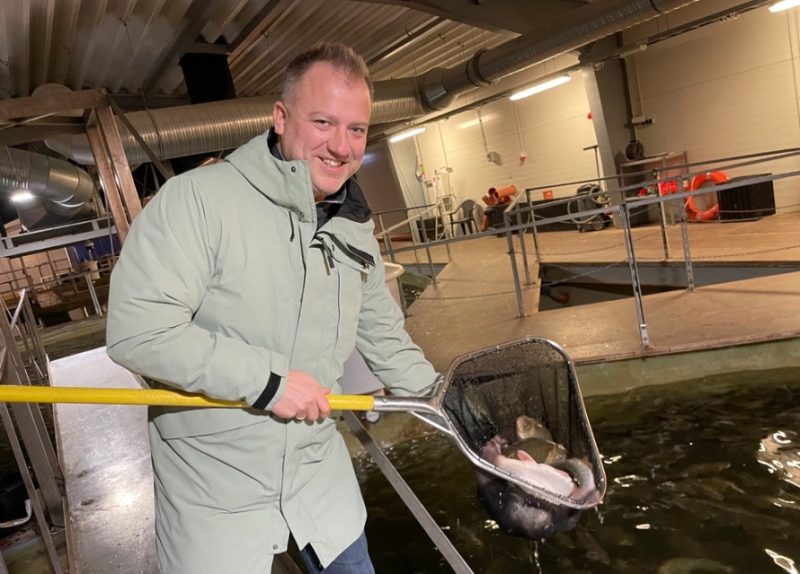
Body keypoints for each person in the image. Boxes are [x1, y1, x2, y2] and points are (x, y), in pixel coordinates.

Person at [105, 43, 439, 574]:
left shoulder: (354, 227)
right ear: (281, 118)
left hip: (320, 488)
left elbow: (386, 339)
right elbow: (138, 331)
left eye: (356, 129)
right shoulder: (196, 200)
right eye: (324, 121)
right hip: (216, 505)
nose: (341, 146)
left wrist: (465, 420)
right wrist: (270, 383)